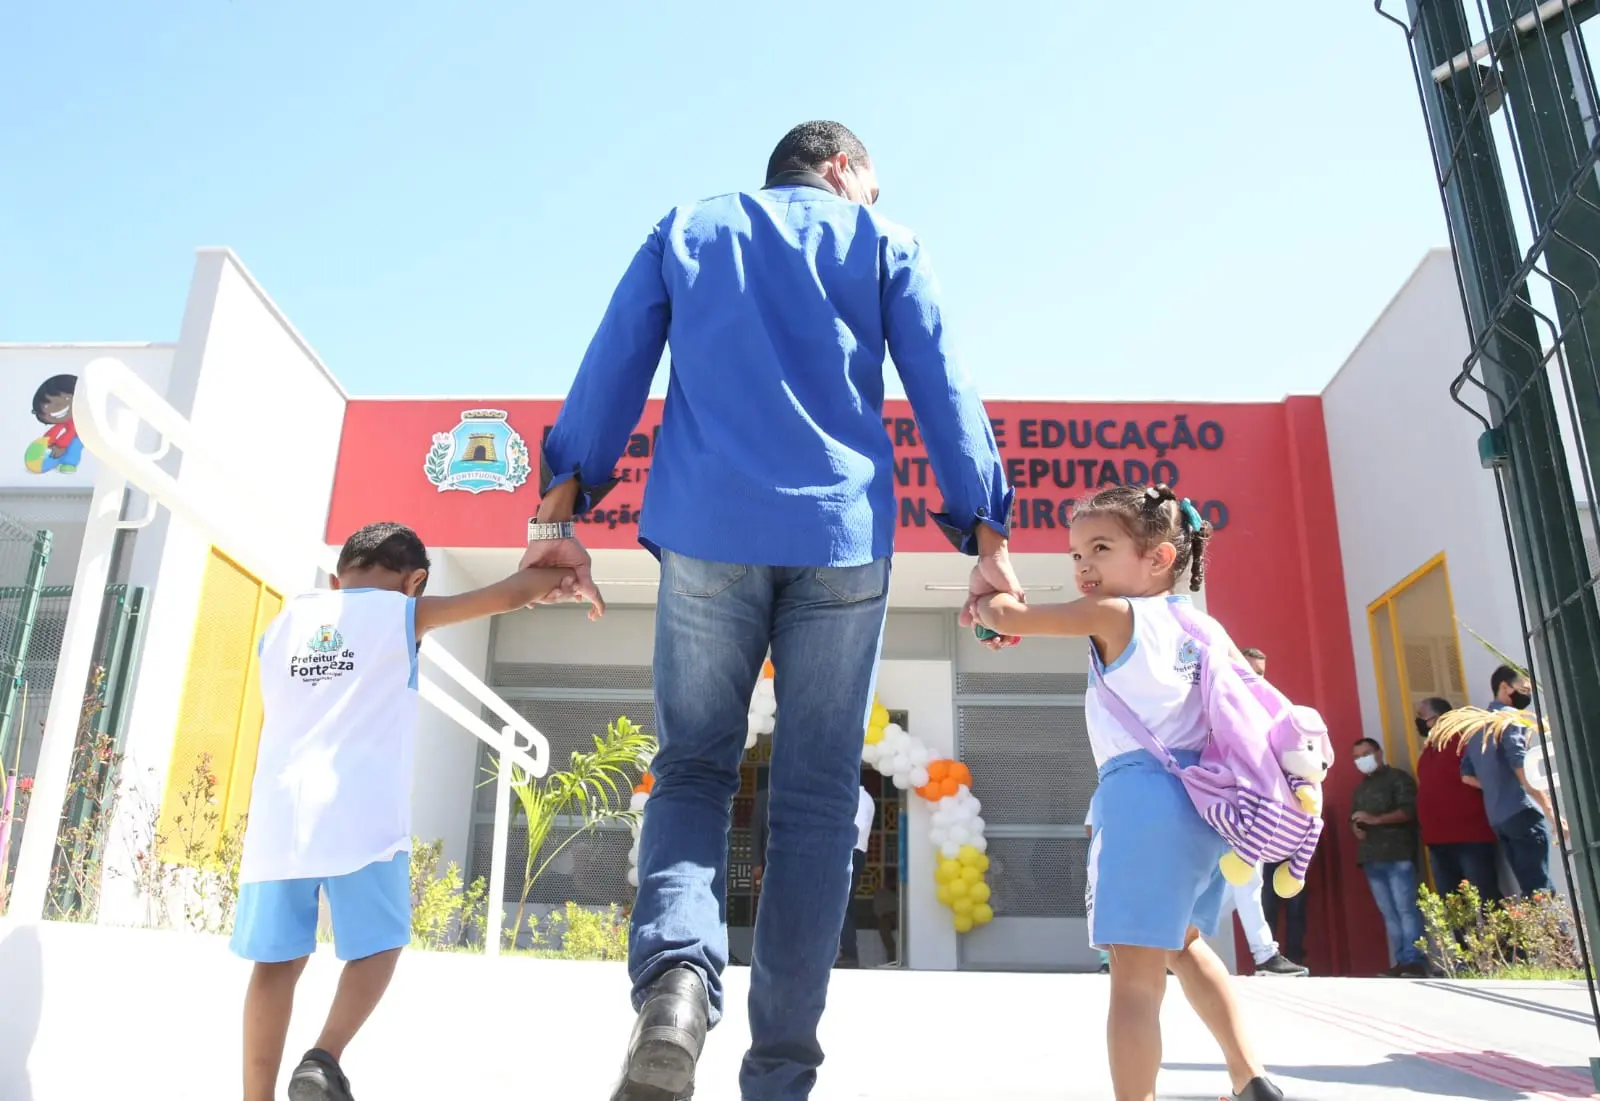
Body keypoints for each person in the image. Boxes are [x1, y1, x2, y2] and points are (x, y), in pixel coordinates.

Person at [524, 120, 1018, 1101]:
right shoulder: (885, 243)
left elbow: (615, 357)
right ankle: (781, 1073)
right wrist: (987, 539)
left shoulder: (690, 227)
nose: (872, 199)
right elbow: (942, 387)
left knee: (695, 770)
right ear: (843, 169)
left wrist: (560, 502)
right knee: (816, 799)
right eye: (869, 183)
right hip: (839, 540)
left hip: (707, 530)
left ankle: (673, 989)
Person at [232, 523, 578, 1101]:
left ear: (335, 578)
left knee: (276, 962)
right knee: (378, 945)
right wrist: (565, 573)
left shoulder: (283, 622)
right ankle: (323, 1058)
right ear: (415, 581)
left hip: (276, 820)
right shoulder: (402, 615)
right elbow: (511, 593)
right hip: (359, 814)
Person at [973, 483, 1283, 1101]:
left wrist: (987, 602)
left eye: (1100, 547)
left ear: (1160, 557)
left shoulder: (1114, 613)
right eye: (1076, 554)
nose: (1084, 564)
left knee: (1134, 981)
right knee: (1186, 946)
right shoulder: (1207, 629)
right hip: (1206, 805)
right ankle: (1250, 1079)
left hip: (1143, 800)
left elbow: (1010, 618)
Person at [1227, 647, 1308, 977]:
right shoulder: (1212, 703)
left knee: (1247, 881)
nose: (1255, 681)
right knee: (1204, 882)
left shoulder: (1271, 715)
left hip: (1254, 811)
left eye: (1260, 674)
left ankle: (1265, 955)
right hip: (1214, 804)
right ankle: (1163, 948)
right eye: (1249, 672)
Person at [1461, 666, 1559, 895]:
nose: (1528, 695)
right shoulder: (1510, 719)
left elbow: (1466, 776)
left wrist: (1497, 783)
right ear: (1504, 687)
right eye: (1525, 688)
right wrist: (1551, 812)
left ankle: (1544, 931)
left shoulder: (1477, 726)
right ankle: (1557, 932)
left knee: (1530, 888)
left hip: (1498, 817)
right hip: (1522, 812)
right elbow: (1521, 766)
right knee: (1540, 889)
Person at [1348, 738, 1428, 977]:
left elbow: (1408, 811)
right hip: (1372, 858)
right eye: (1356, 757)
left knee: (1405, 909)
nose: (1362, 759)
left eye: (1366, 753)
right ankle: (1402, 961)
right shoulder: (1361, 788)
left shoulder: (1399, 779)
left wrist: (1375, 820)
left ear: (1379, 752)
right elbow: (1353, 816)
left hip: (1398, 854)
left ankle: (1415, 961)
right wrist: (1356, 827)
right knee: (1390, 913)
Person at [1414, 696, 1500, 902]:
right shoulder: (1428, 751)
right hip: (1438, 841)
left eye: (1423, 717)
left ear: (1442, 718)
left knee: (1486, 900)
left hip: (1470, 838)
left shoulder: (1464, 742)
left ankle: (1501, 936)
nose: (1419, 723)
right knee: (1454, 907)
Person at [838, 784, 875, 967]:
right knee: (846, 903)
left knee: (840, 902)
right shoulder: (860, 797)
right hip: (852, 852)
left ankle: (849, 952)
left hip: (850, 851)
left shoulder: (860, 799)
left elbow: (855, 828)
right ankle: (848, 951)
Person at [1084, 803, 1111, 974]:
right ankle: (1107, 961)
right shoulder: (1104, 792)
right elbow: (1089, 827)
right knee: (1106, 909)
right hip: (1108, 863)